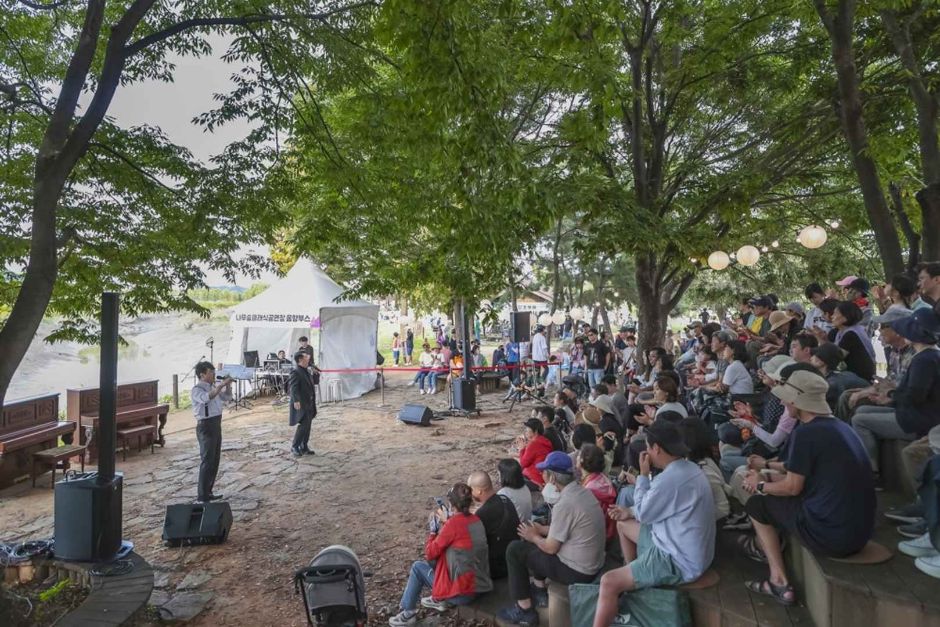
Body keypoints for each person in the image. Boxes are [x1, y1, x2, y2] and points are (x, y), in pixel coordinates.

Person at [739, 370, 875, 607]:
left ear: (798, 402)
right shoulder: (839, 427)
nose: (782, 402)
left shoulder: (806, 433)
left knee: (757, 504)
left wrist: (758, 484)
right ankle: (765, 545)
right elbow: (798, 467)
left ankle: (778, 580)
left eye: (786, 397)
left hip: (831, 536)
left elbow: (792, 487)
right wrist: (767, 465)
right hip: (859, 533)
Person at [595, 421, 716, 627]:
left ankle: (631, 579)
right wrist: (629, 511)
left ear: (656, 449)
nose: (648, 452)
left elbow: (644, 512)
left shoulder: (669, 479)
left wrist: (643, 475)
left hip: (677, 560)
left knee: (608, 582)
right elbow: (655, 506)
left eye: (649, 447)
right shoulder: (690, 468)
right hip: (687, 549)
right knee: (623, 524)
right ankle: (634, 572)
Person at [498, 452, 605, 626]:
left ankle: (524, 610)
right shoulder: (581, 492)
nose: (543, 475)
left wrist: (533, 536)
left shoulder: (565, 504)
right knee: (534, 537)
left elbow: (550, 548)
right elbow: (567, 530)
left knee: (514, 550)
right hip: (591, 563)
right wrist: (541, 529)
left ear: (553, 478)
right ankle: (539, 591)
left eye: (545, 472)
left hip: (578, 571)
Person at [852, 308, 940, 480]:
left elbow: (915, 396)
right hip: (919, 414)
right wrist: (890, 395)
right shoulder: (928, 356)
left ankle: (870, 472)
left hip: (918, 421)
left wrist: (891, 395)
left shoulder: (924, 360)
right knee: (863, 411)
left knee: (859, 420)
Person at [388, 483, 492, 625]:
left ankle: (408, 613)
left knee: (418, 567)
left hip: (463, 593)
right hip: (481, 584)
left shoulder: (452, 525)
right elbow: (461, 537)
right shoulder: (476, 520)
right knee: (444, 556)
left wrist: (433, 532)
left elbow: (430, 553)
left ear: (451, 505)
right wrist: (448, 522)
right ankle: (439, 599)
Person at [190, 362, 233, 503]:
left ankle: (208, 491)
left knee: (214, 460)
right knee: (207, 460)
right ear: (202, 374)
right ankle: (202, 496)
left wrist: (228, 385)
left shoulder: (213, 386)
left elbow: (226, 398)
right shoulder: (197, 389)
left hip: (216, 423)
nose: (214, 374)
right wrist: (221, 385)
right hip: (206, 425)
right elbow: (207, 397)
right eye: (211, 372)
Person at [468, 471, 520, 579]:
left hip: (497, 568)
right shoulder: (505, 499)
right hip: (513, 559)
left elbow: (473, 543)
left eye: (471, 490)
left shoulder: (483, 513)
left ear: (478, 491)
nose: (470, 493)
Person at [810, 342, 869, 410]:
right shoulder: (841, 375)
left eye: (814, 355)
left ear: (821, 361)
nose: (811, 358)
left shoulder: (831, 384)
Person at [828, 301, 876, 381]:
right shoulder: (842, 331)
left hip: (861, 379)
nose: (831, 316)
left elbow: (835, 358)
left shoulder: (851, 334)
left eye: (835, 313)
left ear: (845, 317)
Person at [578, 444, 617, 538]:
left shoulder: (588, 490)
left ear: (582, 460)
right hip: (607, 530)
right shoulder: (602, 478)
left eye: (579, 455)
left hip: (594, 535)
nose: (576, 457)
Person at [289, 351, 318, 457]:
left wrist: (315, 373)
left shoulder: (307, 370)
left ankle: (304, 446)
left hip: (309, 402)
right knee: (303, 425)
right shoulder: (296, 371)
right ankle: (295, 446)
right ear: (300, 359)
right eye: (306, 356)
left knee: (308, 425)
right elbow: (293, 388)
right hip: (301, 403)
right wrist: (296, 401)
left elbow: (312, 383)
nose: (308, 357)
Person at [516, 418, 554, 487]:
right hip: (544, 476)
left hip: (534, 478)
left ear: (535, 431)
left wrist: (522, 449)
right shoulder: (545, 440)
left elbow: (523, 464)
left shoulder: (534, 444)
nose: (525, 432)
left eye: (527, 430)